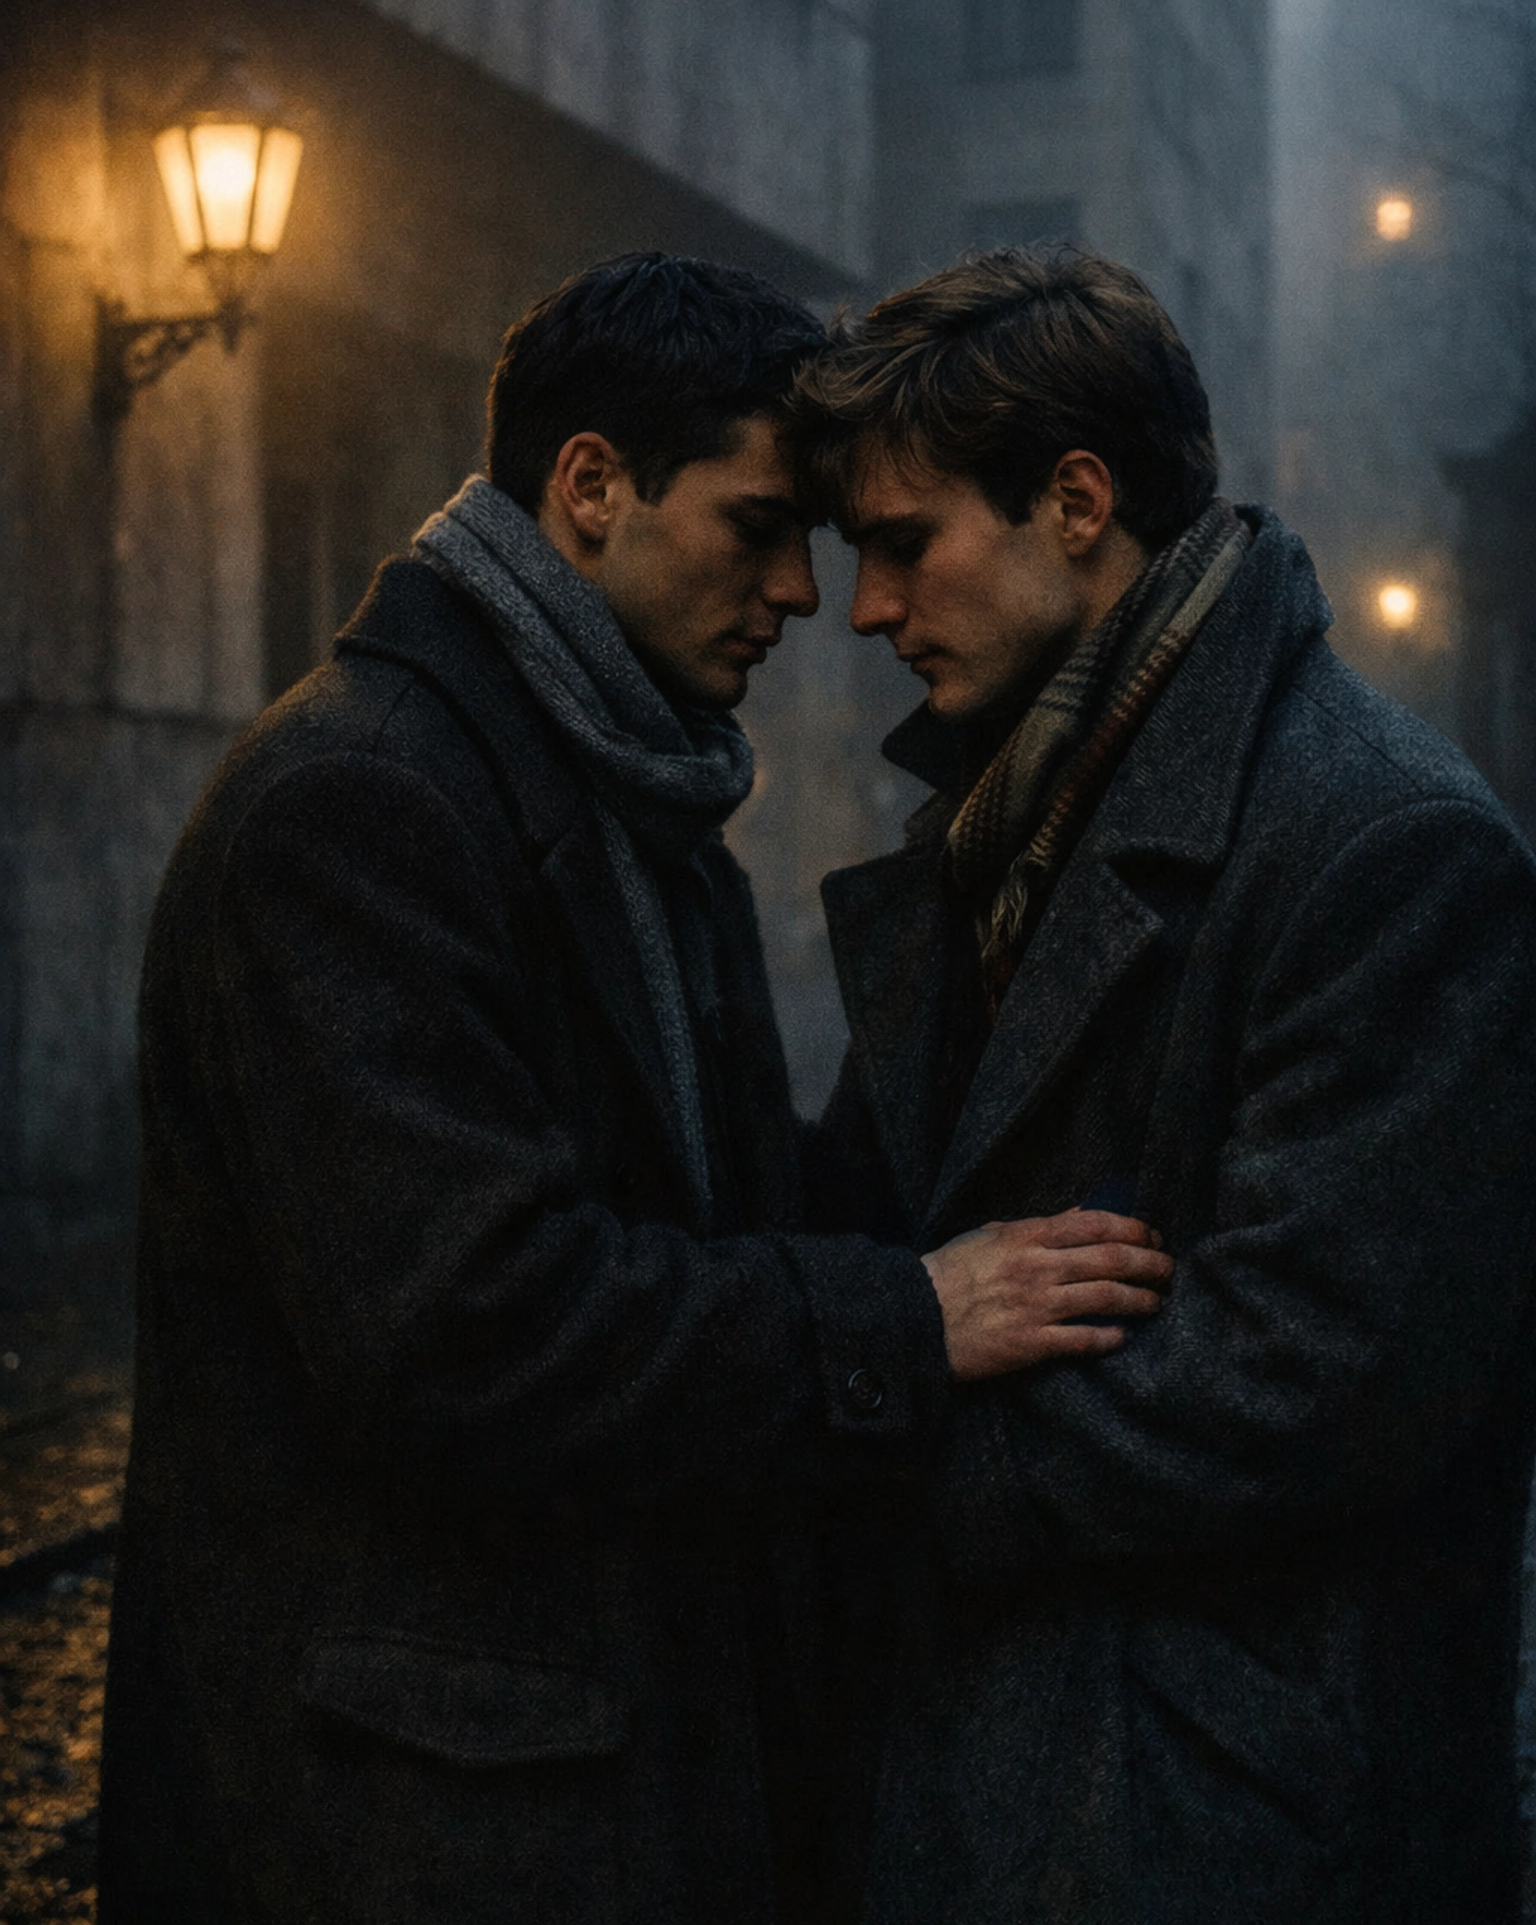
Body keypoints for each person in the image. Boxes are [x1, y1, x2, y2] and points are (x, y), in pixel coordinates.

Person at [96, 251, 1169, 1925]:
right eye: (759, 527)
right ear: (590, 488)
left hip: (587, 1789)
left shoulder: (633, 796)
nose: (807, 596)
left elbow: (732, 1223)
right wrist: (904, 1319)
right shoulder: (360, 806)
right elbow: (466, 1330)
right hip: (403, 1824)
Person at [790, 245, 1536, 1925]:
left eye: (904, 546)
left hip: (1219, 1826)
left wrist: (875, 1466)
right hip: (991, 1790)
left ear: (1075, 501)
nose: (867, 612)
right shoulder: (1004, 817)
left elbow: (1309, 1378)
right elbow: (870, 1227)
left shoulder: (1384, 845)